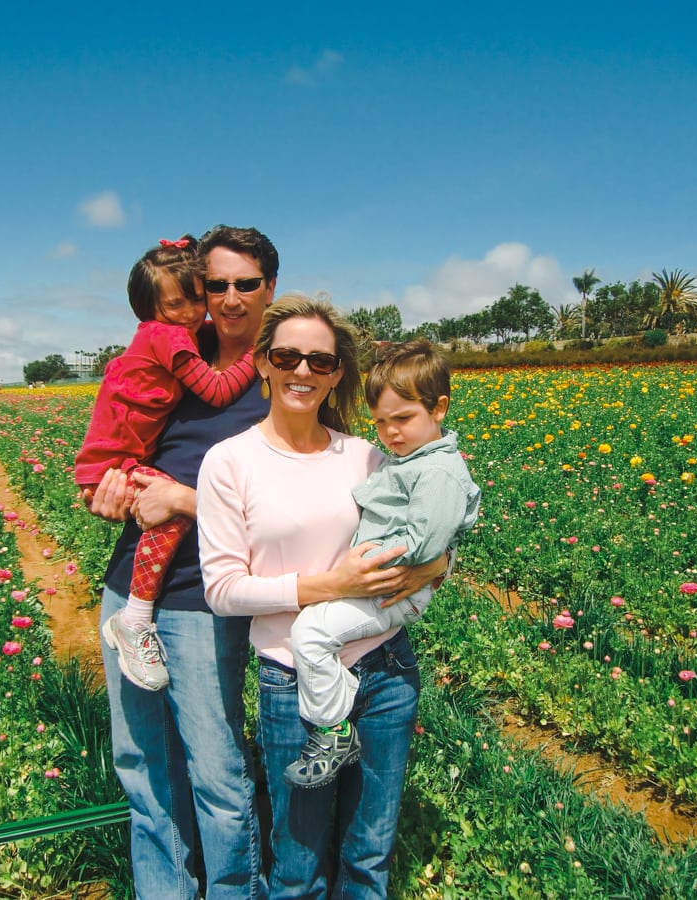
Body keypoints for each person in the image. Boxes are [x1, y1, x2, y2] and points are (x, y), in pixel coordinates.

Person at [197, 294, 449, 899]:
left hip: (385, 665)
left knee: (370, 852)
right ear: (262, 362)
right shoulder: (229, 463)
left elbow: (431, 523)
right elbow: (223, 590)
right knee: (298, 861)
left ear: (338, 374)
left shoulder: (365, 455)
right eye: (287, 356)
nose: (302, 371)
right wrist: (330, 586)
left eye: (320, 360)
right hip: (292, 680)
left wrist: (438, 563)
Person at [81, 225, 277, 900]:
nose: (223, 299)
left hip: (201, 596)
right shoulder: (171, 358)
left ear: (268, 289)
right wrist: (111, 489)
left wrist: (183, 499)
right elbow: (119, 440)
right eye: (211, 285)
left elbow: (294, 505)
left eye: (241, 284)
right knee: (141, 763)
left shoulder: (285, 377)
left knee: (216, 770)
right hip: (129, 586)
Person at [284, 340, 480, 788]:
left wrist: (352, 574)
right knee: (315, 631)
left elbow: (422, 545)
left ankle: (335, 729)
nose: (391, 433)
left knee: (309, 634)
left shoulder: (437, 473)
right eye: (381, 422)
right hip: (383, 585)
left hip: (393, 589)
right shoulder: (410, 461)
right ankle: (341, 711)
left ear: (440, 408)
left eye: (404, 418)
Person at [74, 236, 256, 691]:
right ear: (152, 310)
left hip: (205, 588)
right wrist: (258, 354)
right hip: (117, 465)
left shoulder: (183, 337)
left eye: (197, 296)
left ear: (270, 288)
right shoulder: (170, 339)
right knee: (170, 512)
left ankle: (135, 617)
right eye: (180, 303)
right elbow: (215, 390)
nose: (195, 310)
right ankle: (134, 618)